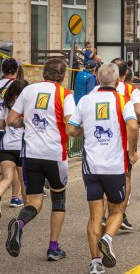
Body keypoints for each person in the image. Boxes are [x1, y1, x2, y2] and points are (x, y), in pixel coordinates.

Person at [66, 63, 139, 274]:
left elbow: (71, 129)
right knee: (117, 210)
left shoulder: (86, 101)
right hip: (114, 165)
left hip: (91, 167)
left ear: (97, 79)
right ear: (117, 81)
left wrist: (84, 132)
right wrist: (132, 152)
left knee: (94, 216)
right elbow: (133, 125)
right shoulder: (122, 100)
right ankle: (107, 238)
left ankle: (95, 263)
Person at [5, 58, 76, 260]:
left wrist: (26, 124)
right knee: (58, 199)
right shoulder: (65, 94)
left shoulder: (28, 91)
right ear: (63, 76)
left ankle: (19, 224)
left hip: (31, 155)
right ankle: (53, 248)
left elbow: (11, 120)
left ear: (44, 72)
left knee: (34, 200)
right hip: (55, 155)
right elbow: (70, 125)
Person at [108, 58, 140, 230]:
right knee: (125, 177)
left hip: (102, 141)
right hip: (123, 139)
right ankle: (120, 214)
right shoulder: (130, 89)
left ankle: (106, 214)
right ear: (126, 73)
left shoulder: (99, 88)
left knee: (104, 176)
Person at [0, 80, 28, 213]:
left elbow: (1, 124)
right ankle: (28, 210)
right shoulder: (27, 105)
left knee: (6, 179)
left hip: (6, 146)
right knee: (24, 181)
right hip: (22, 147)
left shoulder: (5, 105)